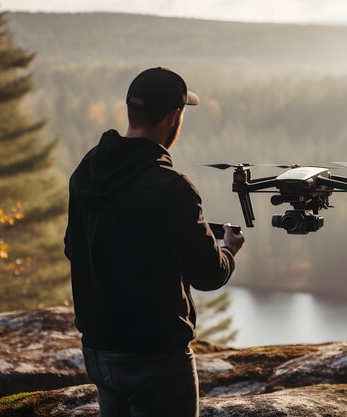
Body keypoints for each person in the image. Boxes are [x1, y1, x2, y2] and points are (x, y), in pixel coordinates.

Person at [63, 67, 245, 417]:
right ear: (175, 116)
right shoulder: (173, 186)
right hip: (155, 361)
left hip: (98, 353)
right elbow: (208, 275)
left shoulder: (87, 169)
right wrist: (229, 250)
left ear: (131, 110)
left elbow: (75, 247)